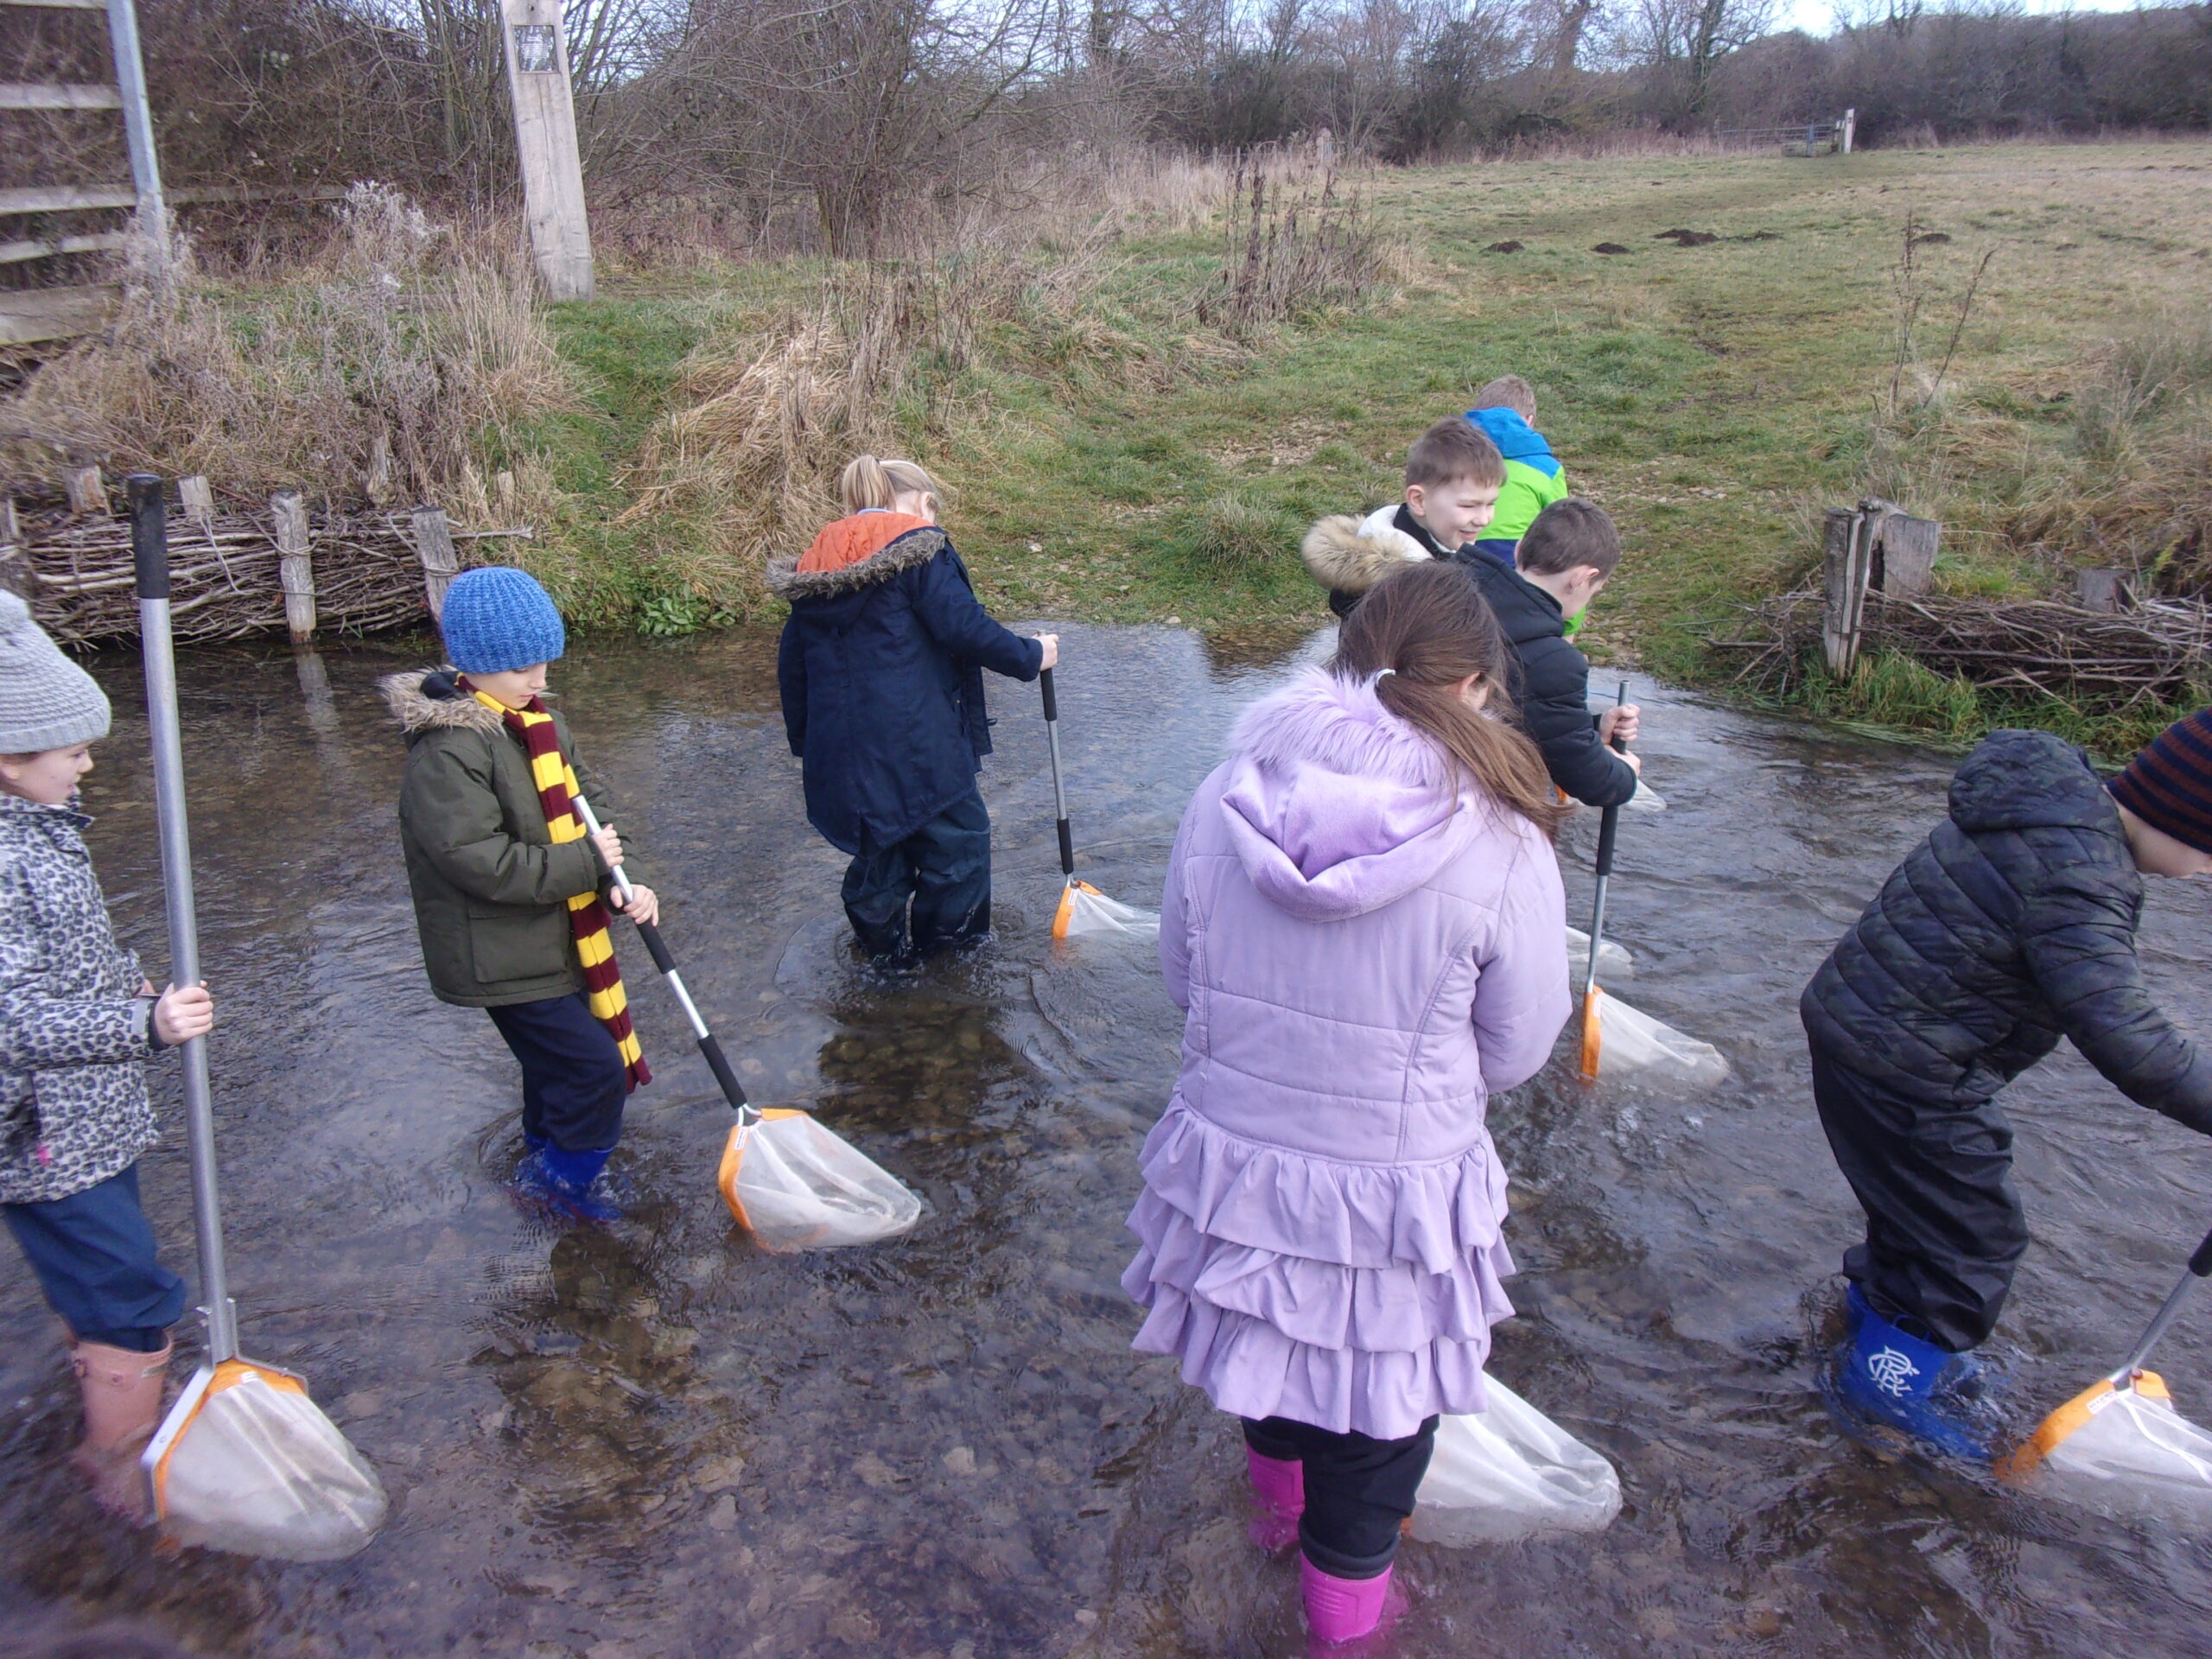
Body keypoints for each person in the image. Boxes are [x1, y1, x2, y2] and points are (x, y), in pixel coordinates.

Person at [1122, 561, 1571, 1645]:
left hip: (1235, 1170)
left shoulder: (1226, 793)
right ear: (1476, 683)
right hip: (1393, 1198)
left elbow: (1181, 978)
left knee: (1264, 1358)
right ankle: (1341, 1628)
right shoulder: (1505, 835)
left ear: (1346, 661)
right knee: (1376, 1436)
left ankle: (1272, 1525)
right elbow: (1516, 1051)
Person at [1802, 712, 2212, 1461]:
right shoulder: (2080, 878)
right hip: (1910, 1067)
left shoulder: (2051, 809)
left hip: (1868, 1032)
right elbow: (2129, 1039)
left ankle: (1881, 1336)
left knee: (1920, 1218)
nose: (2208, 870)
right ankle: (1881, 1393)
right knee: (1971, 1242)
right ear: (2183, 814)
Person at [0, 591, 214, 1520]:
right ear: (10, 760)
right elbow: (11, 1019)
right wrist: (141, 1027)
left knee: (97, 1278)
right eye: (73, 751)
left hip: (87, 1118)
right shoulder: (4, 859)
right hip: (44, 1133)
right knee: (127, 1291)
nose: (89, 764)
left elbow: (70, 959)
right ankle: (117, 1465)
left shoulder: (43, 828)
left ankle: (98, 1372)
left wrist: (131, 988)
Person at [382, 567, 658, 1225]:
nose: (538, 679)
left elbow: (597, 814)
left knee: (553, 1066)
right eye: (521, 669)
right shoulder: (449, 752)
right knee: (593, 1070)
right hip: (498, 956)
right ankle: (561, 1183)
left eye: (544, 663)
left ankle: (539, 1153)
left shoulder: (541, 725)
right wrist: (588, 863)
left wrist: (625, 883)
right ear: (471, 666)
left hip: (556, 940)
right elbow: (481, 863)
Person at [770, 455, 1057, 962]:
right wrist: (1032, 655)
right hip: (919, 742)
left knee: (881, 842)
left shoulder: (816, 561)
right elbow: (963, 627)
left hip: (842, 749)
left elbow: (793, 666)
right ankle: (951, 962)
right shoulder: (920, 548)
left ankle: (882, 958)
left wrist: (808, 743)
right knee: (959, 844)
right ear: (925, 502)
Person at [1449, 496, 1639, 810]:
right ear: (1583, 578)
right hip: (1473, 802)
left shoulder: (1450, 590)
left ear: (1519, 549)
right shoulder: (1554, 661)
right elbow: (1588, 778)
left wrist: (1593, 728)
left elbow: (1531, 718)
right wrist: (1624, 774)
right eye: (1596, 589)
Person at [1300, 417, 1503, 619]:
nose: (1483, 519)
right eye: (1468, 506)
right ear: (1419, 500)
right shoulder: (1405, 588)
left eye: (1490, 504)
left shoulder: (1440, 544)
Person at [1464, 374, 1568, 569]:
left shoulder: (1450, 455)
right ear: (1529, 420)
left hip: (1458, 547)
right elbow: (1563, 525)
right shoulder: (1549, 468)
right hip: (1520, 558)